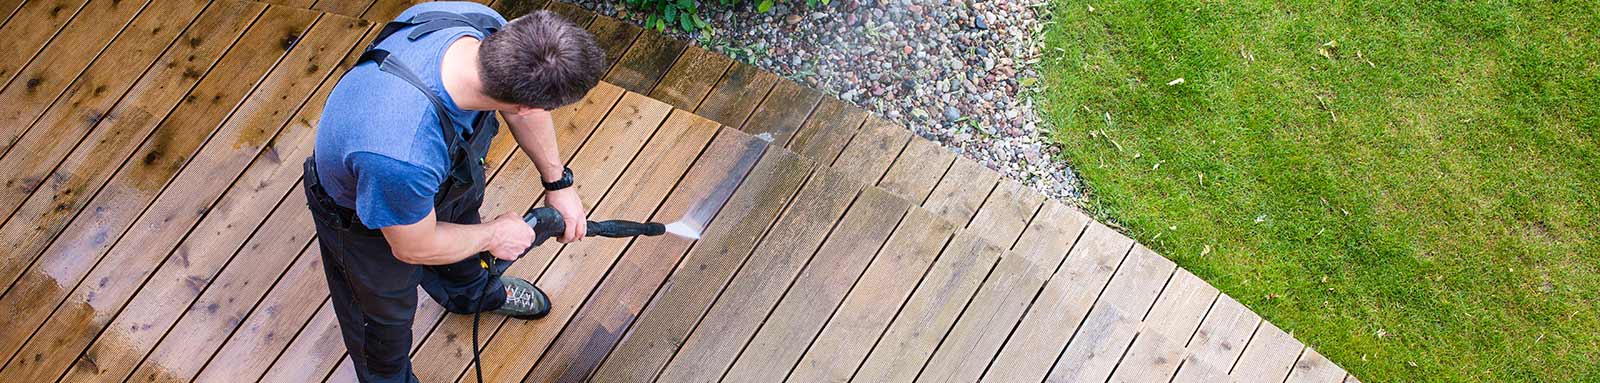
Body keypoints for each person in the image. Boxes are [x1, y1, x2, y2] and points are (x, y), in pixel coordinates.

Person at [300, 2, 605, 381]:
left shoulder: (484, 28)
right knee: (382, 326)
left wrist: (557, 183)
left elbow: (523, 111)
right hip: (367, 222)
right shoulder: (400, 153)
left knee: (465, 257)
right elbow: (413, 246)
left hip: (445, 181)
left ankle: (473, 296)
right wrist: (495, 234)